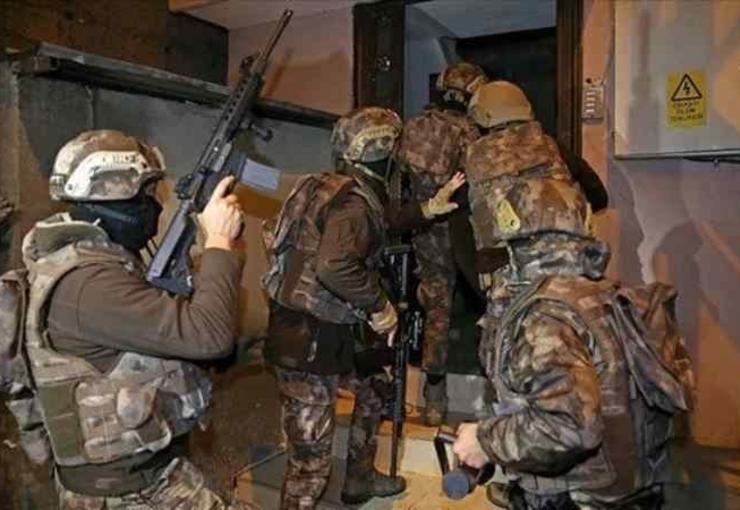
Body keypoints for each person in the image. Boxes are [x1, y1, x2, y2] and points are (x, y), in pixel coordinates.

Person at [16, 130, 247, 509]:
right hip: (127, 493)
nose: (155, 205)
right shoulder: (89, 284)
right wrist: (219, 243)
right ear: (117, 197)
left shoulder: (92, 260)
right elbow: (210, 336)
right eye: (147, 193)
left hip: (142, 474)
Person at [451, 167, 694, 508]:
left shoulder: (546, 316)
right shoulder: (599, 293)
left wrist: (485, 441)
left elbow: (570, 426)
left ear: (518, 241)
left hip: (576, 497)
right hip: (631, 490)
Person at [262, 106, 464, 509]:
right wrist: (379, 305)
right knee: (310, 464)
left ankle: (360, 479)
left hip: (328, 333)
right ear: (386, 152)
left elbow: (378, 220)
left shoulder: (333, 187)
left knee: (375, 389)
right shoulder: (352, 203)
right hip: (306, 343)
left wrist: (426, 209)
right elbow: (333, 263)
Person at [395, 61, 486, 426]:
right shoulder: (470, 133)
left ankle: (433, 397)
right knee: (489, 305)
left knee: (436, 311)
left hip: (423, 227)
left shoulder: (413, 126)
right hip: (463, 232)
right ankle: (494, 394)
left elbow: (399, 177)